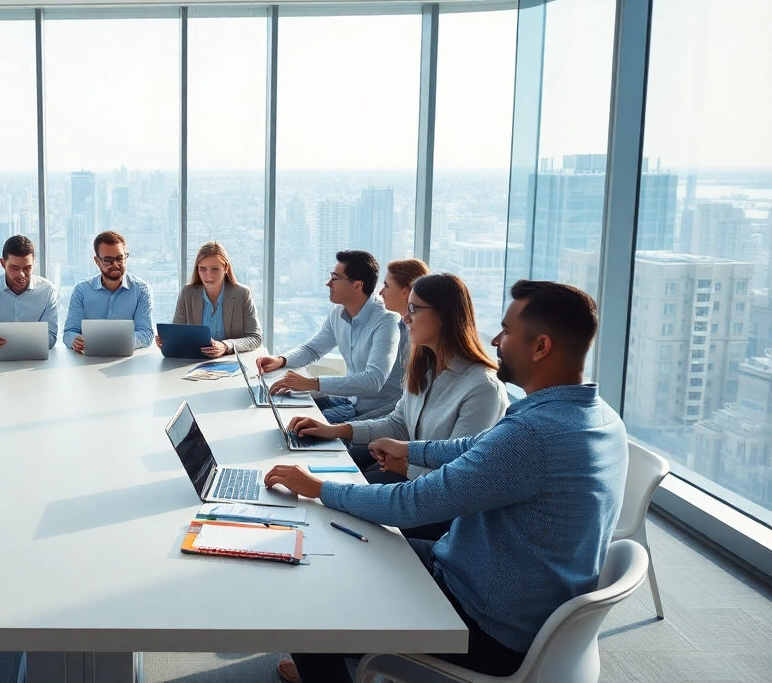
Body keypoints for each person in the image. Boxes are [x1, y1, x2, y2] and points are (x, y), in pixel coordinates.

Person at [264, 281, 626, 683]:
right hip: (495, 586)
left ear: (541, 347)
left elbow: (411, 504)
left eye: (506, 331)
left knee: (302, 605)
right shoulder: (599, 417)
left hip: (484, 621)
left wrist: (318, 489)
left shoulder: (533, 435)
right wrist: (412, 449)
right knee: (339, 550)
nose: (496, 339)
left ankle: (326, 660)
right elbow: (480, 446)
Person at [284, 273, 508, 539]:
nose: (405, 318)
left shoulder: (482, 387)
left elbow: (456, 477)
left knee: (329, 508)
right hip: (408, 481)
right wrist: (334, 429)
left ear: (445, 315)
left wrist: (405, 467)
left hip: (434, 507)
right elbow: (398, 423)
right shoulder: (425, 367)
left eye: (414, 309)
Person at [257, 251, 403, 422]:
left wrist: (312, 383)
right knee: (280, 405)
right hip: (348, 402)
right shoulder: (339, 311)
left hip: (374, 414)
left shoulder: (387, 320)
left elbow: (373, 380)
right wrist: (281, 360)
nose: (328, 284)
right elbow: (312, 349)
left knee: (299, 426)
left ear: (357, 286)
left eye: (334, 279)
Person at [156, 241, 262, 357]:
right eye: (203, 269)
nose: (208, 275)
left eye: (214, 269)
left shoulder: (242, 294)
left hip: (230, 361)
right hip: (195, 362)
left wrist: (225, 346)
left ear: (225, 268)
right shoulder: (187, 293)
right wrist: (167, 342)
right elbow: (177, 334)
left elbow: (255, 338)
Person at [0, 235, 60, 353]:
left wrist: (24, 343)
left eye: (27, 268)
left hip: (34, 361)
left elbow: (51, 337)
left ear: (34, 264)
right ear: (3, 263)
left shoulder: (47, 290)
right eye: (15, 268)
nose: (22, 275)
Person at [63, 230, 155, 354]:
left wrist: (120, 343)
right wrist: (74, 340)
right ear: (97, 261)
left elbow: (146, 333)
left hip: (126, 362)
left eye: (120, 259)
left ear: (126, 257)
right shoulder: (82, 290)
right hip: (87, 360)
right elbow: (69, 332)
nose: (115, 265)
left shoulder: (141, 290)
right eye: (108, 260)